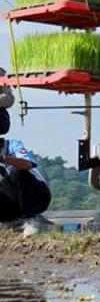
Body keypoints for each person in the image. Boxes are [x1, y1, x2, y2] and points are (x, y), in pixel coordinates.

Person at [0, 71, 51, 225]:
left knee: (18, 171)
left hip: (37, 196)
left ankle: (30, 219)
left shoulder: (12, 145)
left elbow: (26, 165)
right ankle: (12, 223)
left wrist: (3, 158)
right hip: (12, 204)